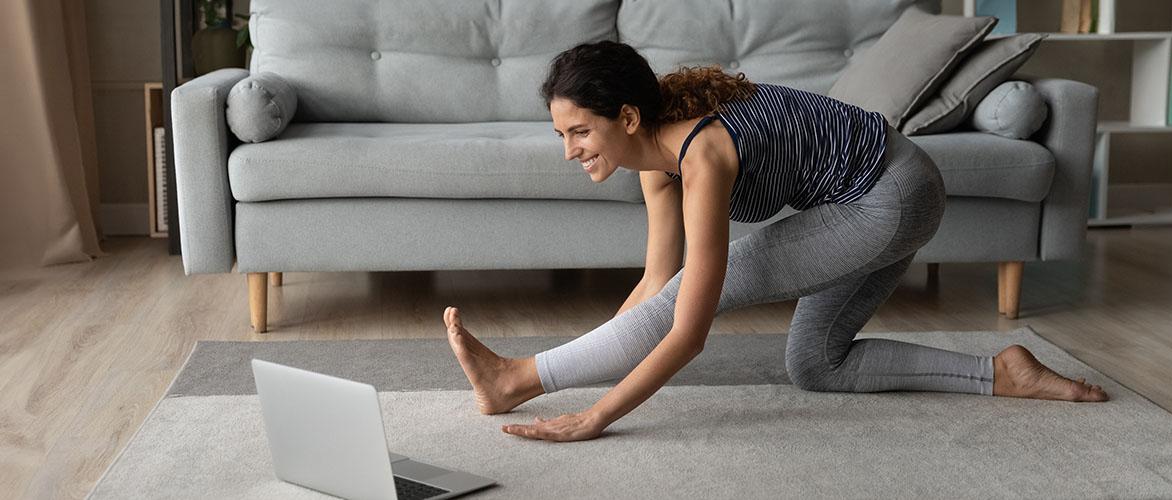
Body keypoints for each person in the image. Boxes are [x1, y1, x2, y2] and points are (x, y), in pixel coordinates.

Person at [441, 41, 1108, 443]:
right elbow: (652, 291)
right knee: (818, 363)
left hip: (889, 195)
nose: (569, 151)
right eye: (562, 135)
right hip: (890, 193)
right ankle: (1003, 373)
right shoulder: (656, 163)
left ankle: (514, 380)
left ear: (629, 117)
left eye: (579, 132)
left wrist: (596, 415)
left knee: (702, 296)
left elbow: (687, 328)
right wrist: (594, 365)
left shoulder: (703, 155)